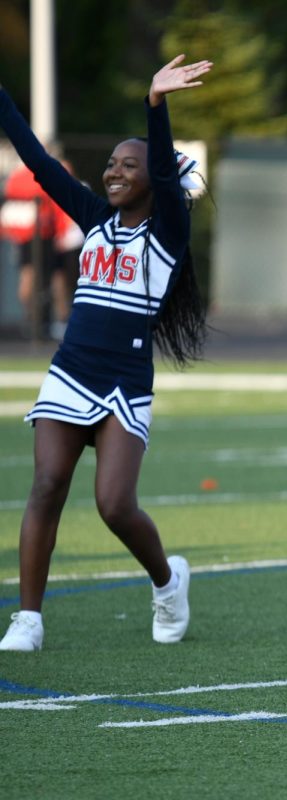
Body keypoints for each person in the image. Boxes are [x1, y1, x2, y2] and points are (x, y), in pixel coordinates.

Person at [0, 54, 212, 652]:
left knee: (115, 504)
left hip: (125, 379)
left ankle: (168, 583)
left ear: (154, 177)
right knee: (46, 485)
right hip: (72, 371)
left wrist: (156, 103)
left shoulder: (167, 229)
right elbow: (39, 164)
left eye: (128, 165)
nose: (113, 173)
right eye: (111, 165)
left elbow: (169, 182)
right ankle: (29, 618)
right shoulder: (94, 217)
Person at [1, 160, 83, 341]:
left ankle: (51, 321)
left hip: (46, 234)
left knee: (53, 278)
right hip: (38, 235)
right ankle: (40, 321)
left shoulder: (21, 175)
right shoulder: (26, 175)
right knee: (45, 278)